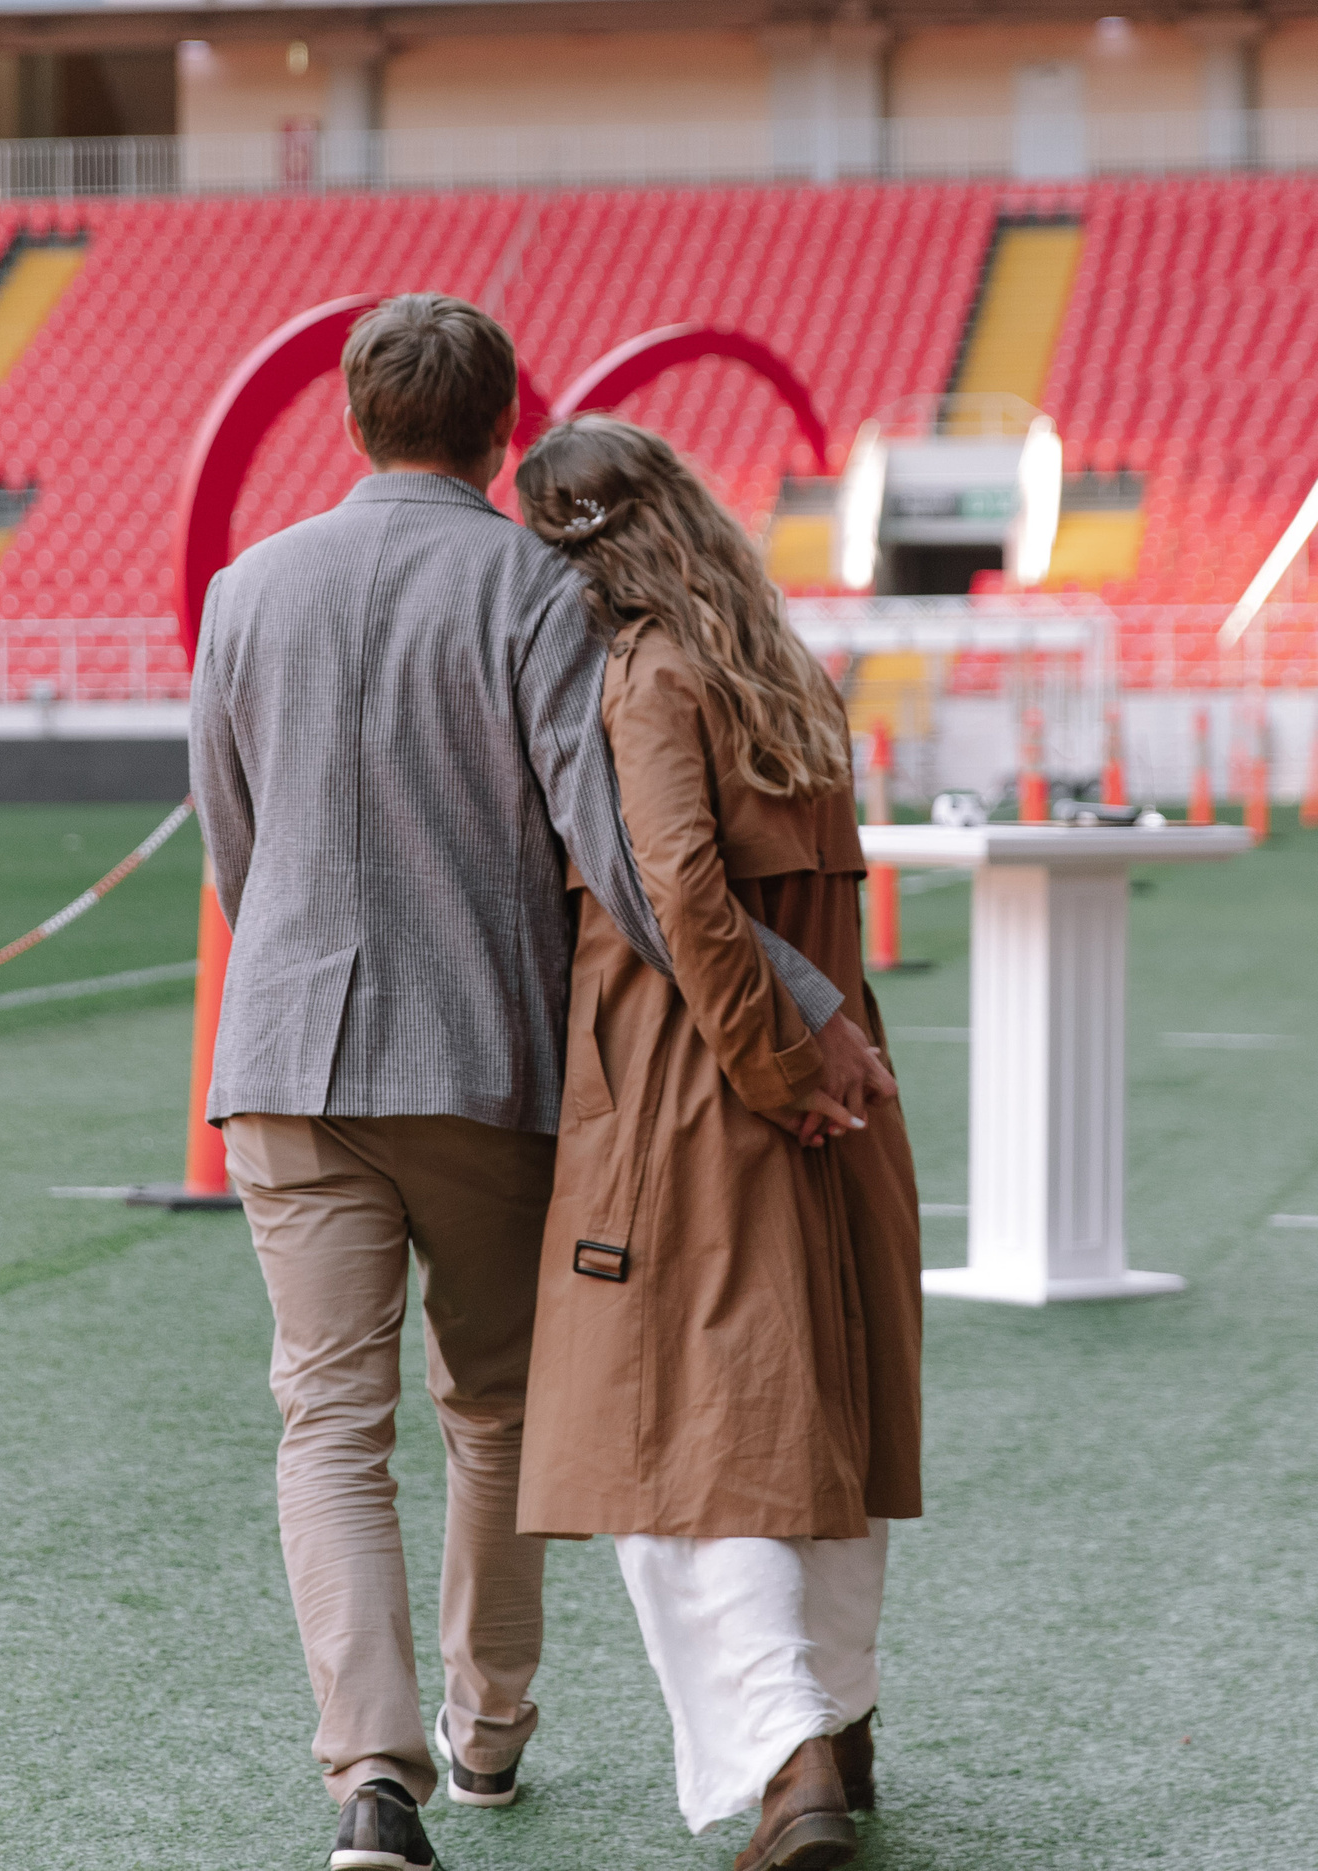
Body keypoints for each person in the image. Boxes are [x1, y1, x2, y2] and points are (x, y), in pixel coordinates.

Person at [188, 296, 893, 1871]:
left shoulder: (247, 590)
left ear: (354, 420)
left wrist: (298, 979)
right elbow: (634, 862)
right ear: (502, 429)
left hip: (289, 1063)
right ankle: (487, 1735)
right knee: (494, 1414)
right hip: (488, 1069)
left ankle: (372, 1781)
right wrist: (799, 997)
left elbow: (235, 844)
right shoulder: (535, 593)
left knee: (325, 1423)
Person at [511, 415, 923, 1871]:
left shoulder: (648, 674)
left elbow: (678, 888)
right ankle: (847, 1721)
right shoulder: (786, 668)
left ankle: (786, 1757)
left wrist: (769, 1060)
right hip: (840, 1081)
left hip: (702, 1091)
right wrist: (822, 1057)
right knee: (823, 1408)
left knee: (677, 1444)